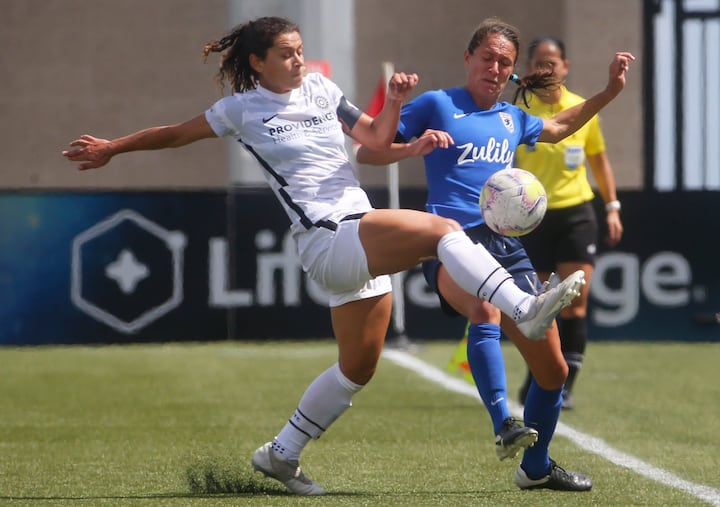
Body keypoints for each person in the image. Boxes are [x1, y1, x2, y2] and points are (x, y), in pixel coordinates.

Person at [62, 16, 586, 496]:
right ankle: (522, 308)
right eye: (287, 53)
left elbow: (373, 138)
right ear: (257, 63)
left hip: (357, 231)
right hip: (327, 236)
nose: (298, 60)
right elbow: (174, 135)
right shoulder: (239, 109)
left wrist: (403, 122)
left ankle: (281, 454)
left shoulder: (321, 89)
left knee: (358, 367)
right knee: (443, 230)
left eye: (300, 50)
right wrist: (114, 147)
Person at [357, 17, 633, 491]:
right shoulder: (438, 104)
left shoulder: (511, 117)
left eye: (504, 62)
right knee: (483, 308)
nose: (495, 67)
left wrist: (609, 91)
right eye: (487, 57)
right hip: (449, 244)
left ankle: (537, 468)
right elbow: (369, 151)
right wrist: (406, 131)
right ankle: (504, 421)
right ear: (468, 58)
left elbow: (563, 124)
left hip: (507, 248)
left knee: (554, 371)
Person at [514, 36, 624, 411]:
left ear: (566, 65)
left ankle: (565, 387)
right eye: (540, 62)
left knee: (575, 304)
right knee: (540, 306)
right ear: (529, 66)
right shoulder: (517, 109)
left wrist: (612, 205)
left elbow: (599, 160)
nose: (547, 68)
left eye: (553, 62)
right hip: (531, 219)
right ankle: (539, 376)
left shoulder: (581, 109)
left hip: (577, 213)